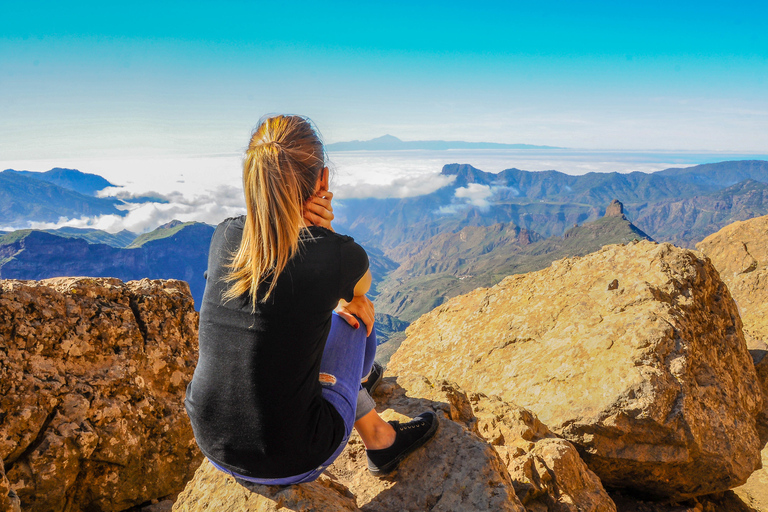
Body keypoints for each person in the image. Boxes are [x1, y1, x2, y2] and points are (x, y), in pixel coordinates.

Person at [184, 114, 438, 484]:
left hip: (211, 440)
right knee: (355, 314)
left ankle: (357, 386)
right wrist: (326, 235)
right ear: (323, 180)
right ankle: (379, 434)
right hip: (290, 458)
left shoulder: (225, 235)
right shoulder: (334, 256)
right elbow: (359, 291)